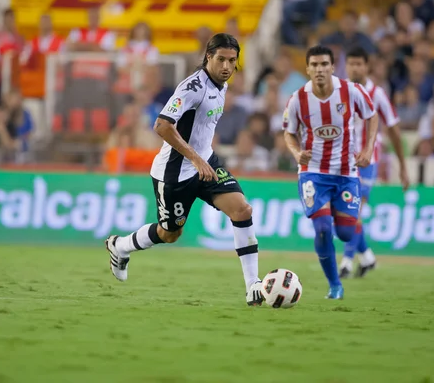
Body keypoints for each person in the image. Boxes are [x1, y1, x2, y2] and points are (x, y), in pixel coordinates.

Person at [106, 33, 264, 306]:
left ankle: (253, 286)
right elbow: (162, 126)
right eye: (221, 59)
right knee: (170, 234)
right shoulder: (192, 88)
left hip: (206, 162)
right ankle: (119, 246)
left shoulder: (222, 85)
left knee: (242, 210)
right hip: (174, 172)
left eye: (232, 61)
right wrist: (195, 159)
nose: (227, 66)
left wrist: (203, 158)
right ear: (208, 57)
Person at [282, 45, 379, 299]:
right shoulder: (297, 99)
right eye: (314, 65)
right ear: (307, 69)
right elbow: (289, 132)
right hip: (312, 173)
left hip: (347, 173)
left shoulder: (350, 91)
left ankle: (344, 228)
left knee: (346, 232)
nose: (319, 69)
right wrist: (295, 153)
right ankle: (335, 284)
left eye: (324, 64)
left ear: (332, 67)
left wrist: (368, 149)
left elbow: (371, 115)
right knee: (323, 228)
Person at [339, 47, 410, 279]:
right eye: (351, 63)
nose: (355, 68)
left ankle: (347, 262)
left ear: (367, 66)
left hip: (368, 160)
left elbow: (394, 131)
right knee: (341, 213)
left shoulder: (377, 93)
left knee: (354, 211)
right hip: (342, 160)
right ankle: (367, 257)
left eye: (359, 63)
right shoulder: (339, 90)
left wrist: (403, 167)